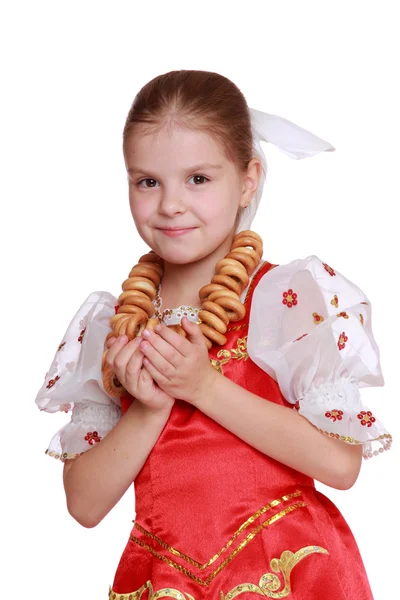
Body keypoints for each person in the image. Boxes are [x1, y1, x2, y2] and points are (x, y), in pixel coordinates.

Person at [35, 69, 392, 600]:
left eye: (198, 179)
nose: (170, 204)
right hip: (166, 583)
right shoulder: (116, 328)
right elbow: (85, 506)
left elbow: (341, 466)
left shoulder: (286, 300)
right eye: (147, 181)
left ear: (248, 179)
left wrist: (203, 387)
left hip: (290, 573)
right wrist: (150, 408)